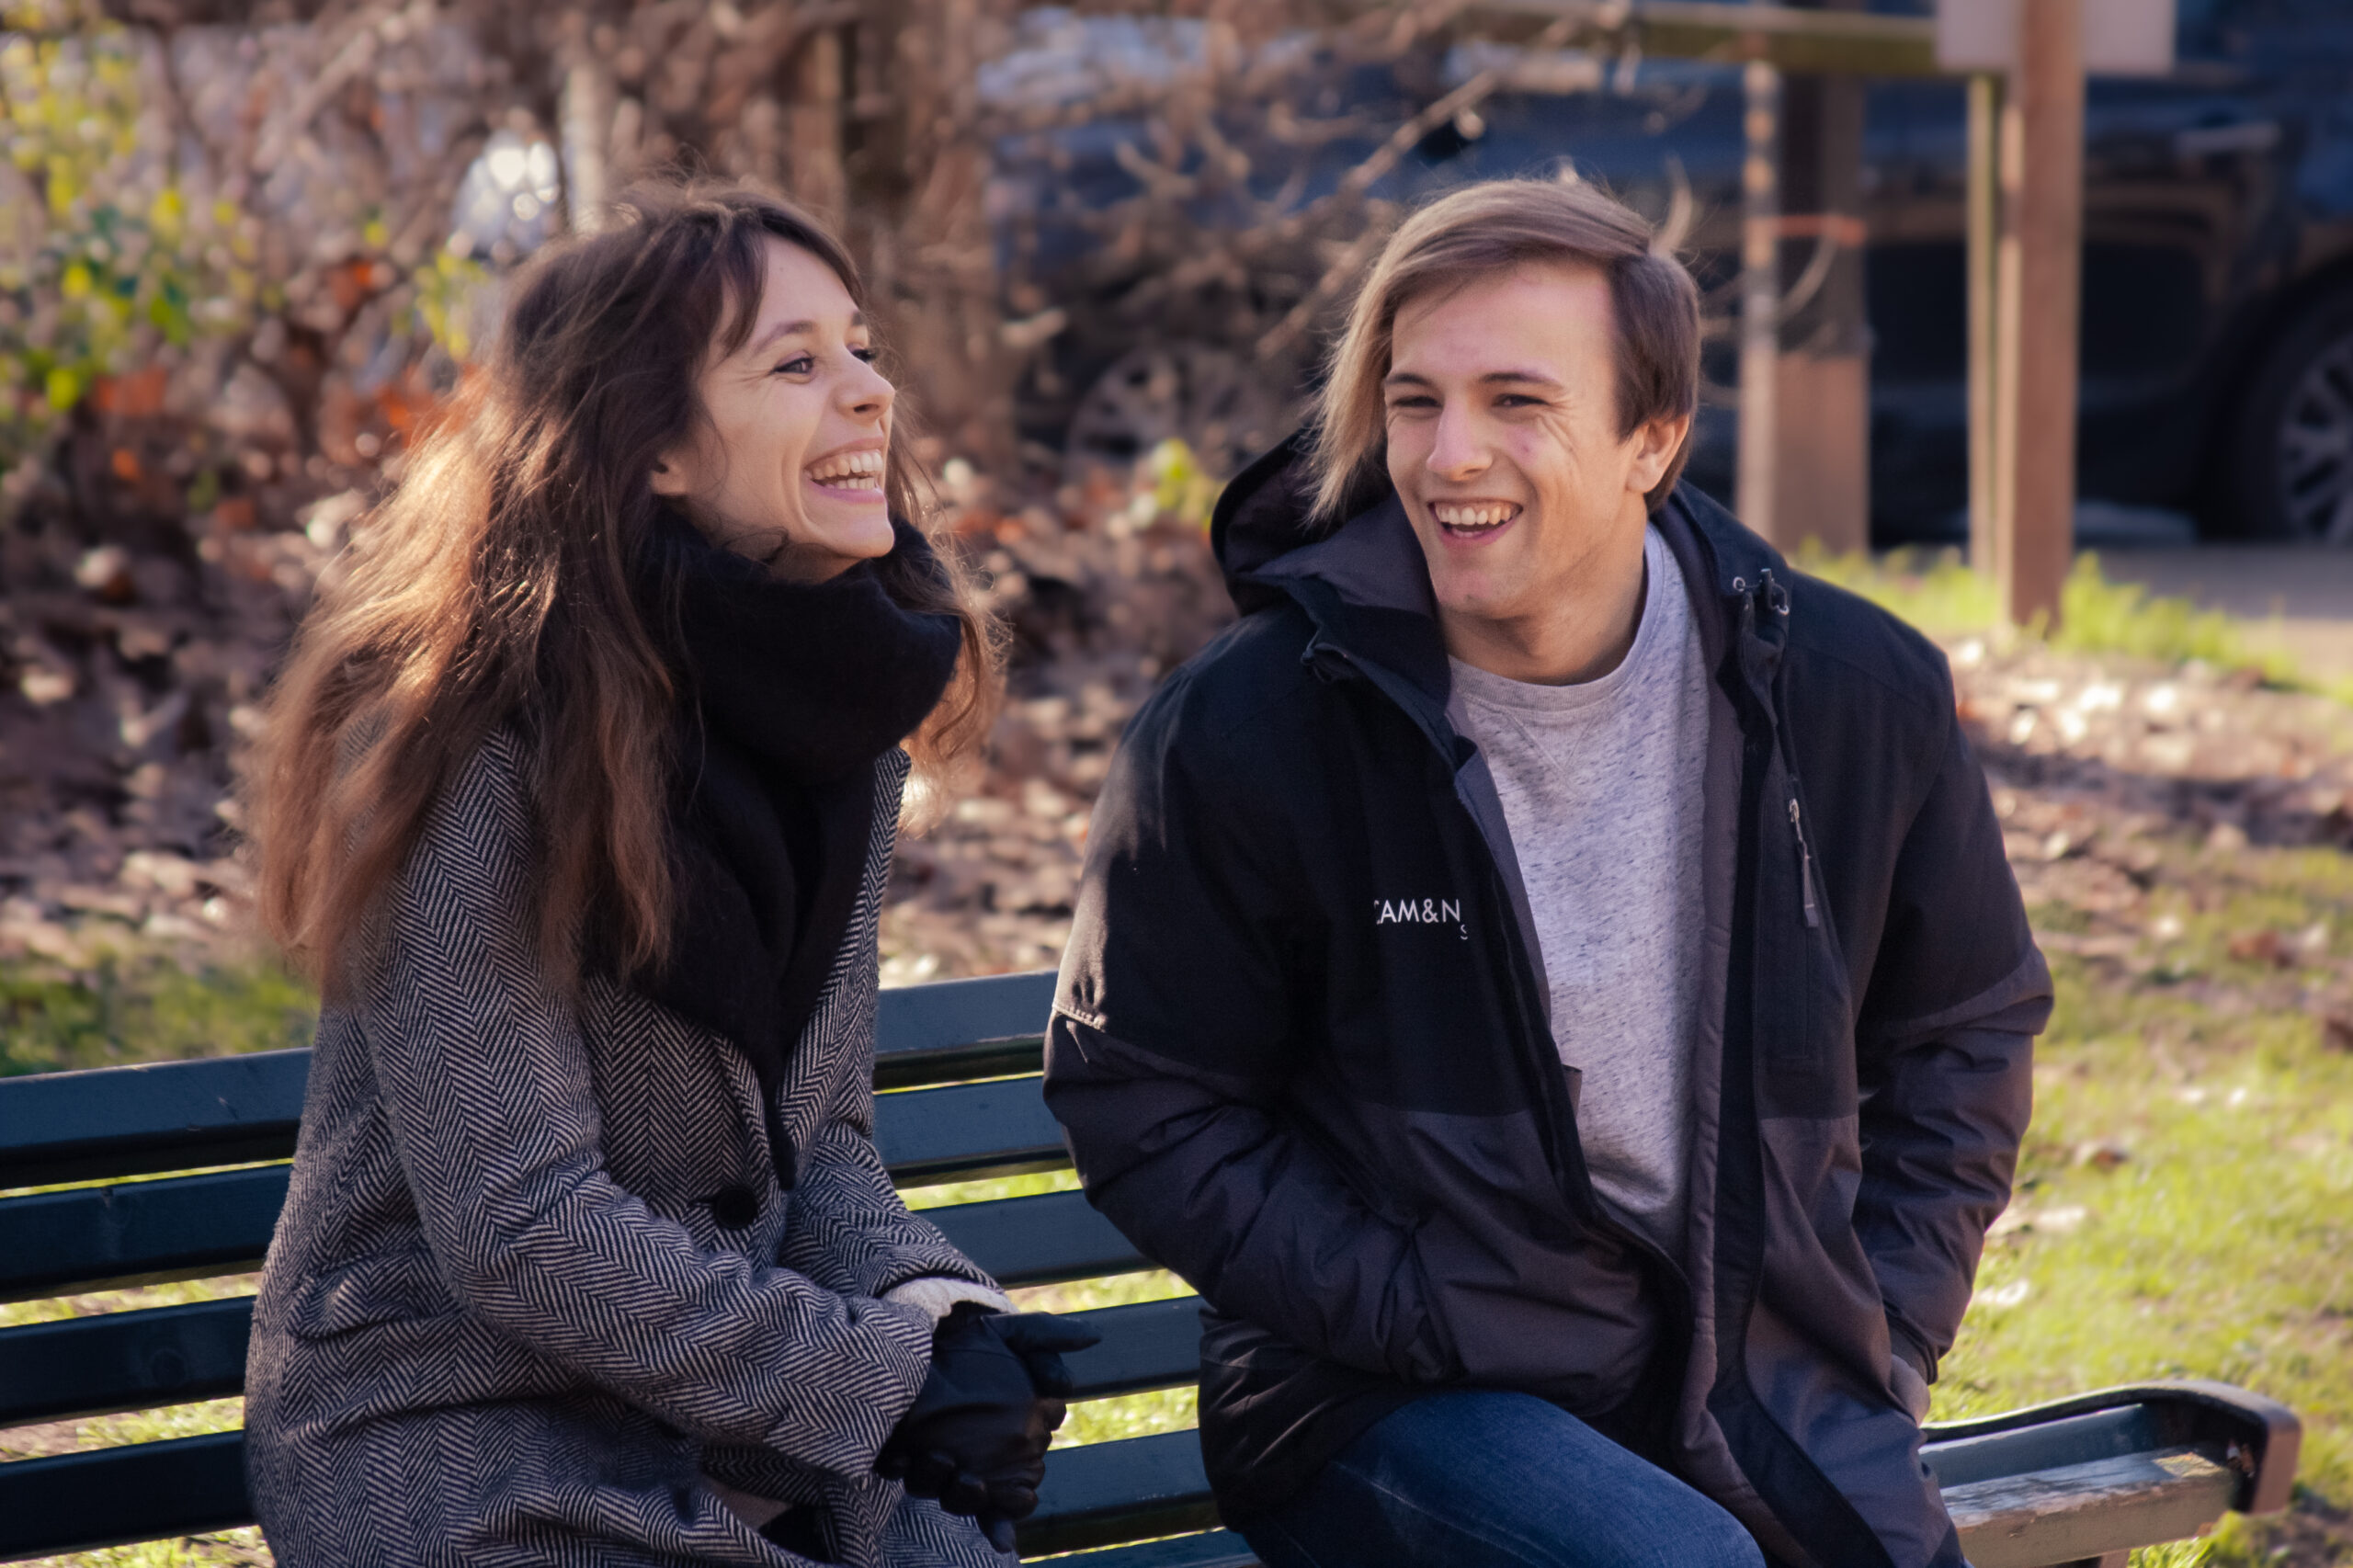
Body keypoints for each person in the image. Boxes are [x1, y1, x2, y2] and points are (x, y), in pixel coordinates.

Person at [1042, 176, 2049, 1568]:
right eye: (1414, 401)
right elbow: (1140, 1088)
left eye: (1518, 401)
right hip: (1391, 1397)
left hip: (1763, 1379)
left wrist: (1884, 1320)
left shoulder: (1848, 694)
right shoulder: (1253, 728)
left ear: (1655, 437)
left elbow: (1963, 1029)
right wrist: (1414, 1302)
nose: (1451, 455)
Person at [242, 183, 1095, 1568]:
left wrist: (945, 1319)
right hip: (461, 1435)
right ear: (653, 451)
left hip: (736, 1410)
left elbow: (814, 1147)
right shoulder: (470, 742)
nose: (872, 393)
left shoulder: (839, 727)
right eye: (798, 363)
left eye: (862, 349)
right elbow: (520, 1226)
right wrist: (879, 1381)